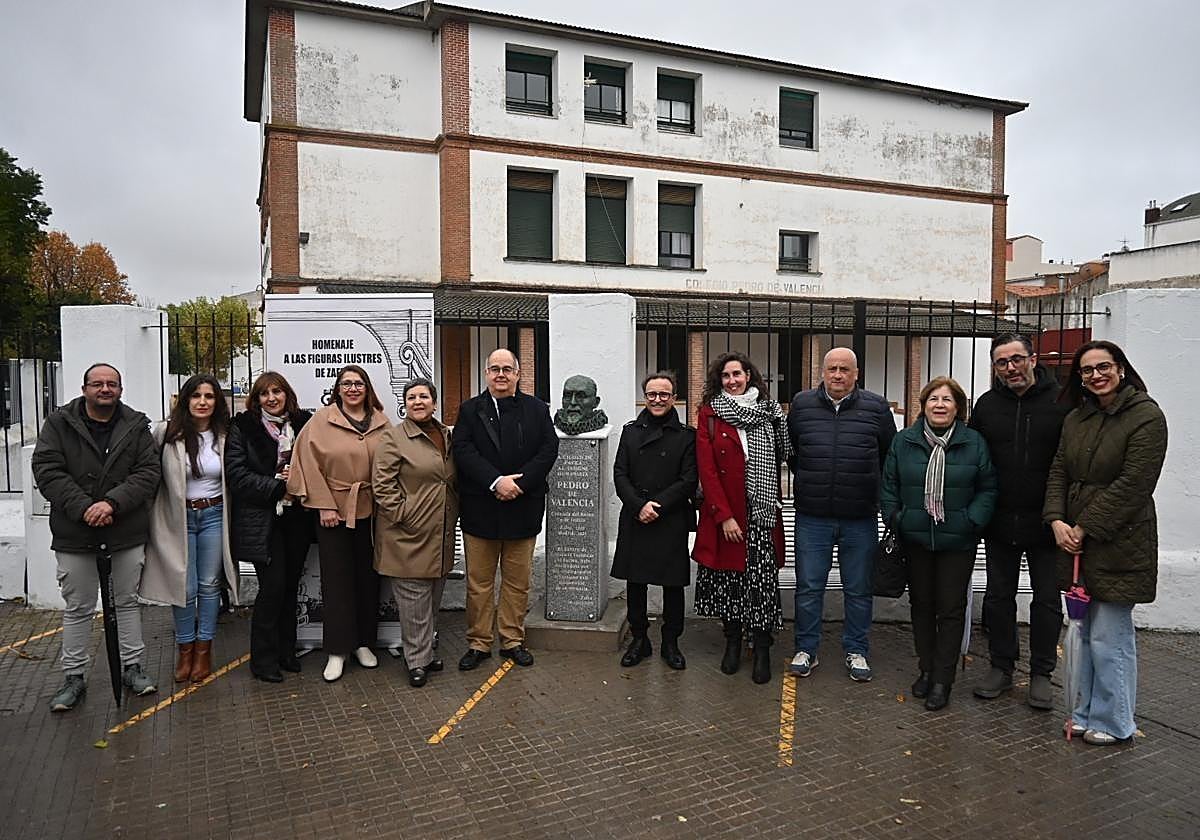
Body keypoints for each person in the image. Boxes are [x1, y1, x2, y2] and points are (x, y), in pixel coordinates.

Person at [1044, 340, 1167, 745]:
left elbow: (1134, 484)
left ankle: (1115, 720)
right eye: (1087, 370)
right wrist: (1057, 520)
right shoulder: (1077, 418)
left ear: (1121, 369)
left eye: (1103, 367)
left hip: (1120, 540)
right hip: (1077, 539)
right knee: (1081, 630)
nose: (1095, 375)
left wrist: (1086, 527)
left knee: (1109, 635)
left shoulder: (1146, 416)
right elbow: (1060, 469)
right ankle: (1083, 711)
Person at [32, 363, 161, 711]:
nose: (105, 389)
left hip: (124, 530)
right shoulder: (59, 424)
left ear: (120, 389)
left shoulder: (136, 426)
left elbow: (148, 472)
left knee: (127, 601)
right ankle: (73, 676)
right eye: (98, 384)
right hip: (75, 532)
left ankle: (132, 668)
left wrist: (111, 504)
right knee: (78, 607)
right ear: (85, 387)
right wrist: (85, 507)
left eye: (112, 384)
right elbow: (46, 469)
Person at [881, 376, 997, 711]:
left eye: (947, 399)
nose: (940, 405)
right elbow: (889, 485)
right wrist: (898, 518)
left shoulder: (973, 443)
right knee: (921, 607)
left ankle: (943, 679)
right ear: (924, 404)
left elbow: (988, 488)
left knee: (950, 609)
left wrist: (971, 520)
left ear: (958, 407)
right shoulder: (905, 441)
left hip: (957, 542)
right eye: (934, 399)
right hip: (915, 539)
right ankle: (926, 668)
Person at [969, 333, 1070, 709]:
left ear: (1032, 358)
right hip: (999, 521)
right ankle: (1001, 665)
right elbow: (976, 461)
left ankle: (1042, 673)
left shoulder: (1063, 403)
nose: (1010, 368)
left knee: (1046, 600)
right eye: (1001, 362)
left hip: (1049, 523)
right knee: (998, 598)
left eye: (1016, 359)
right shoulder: (987, 405)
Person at [787, 347, 896, 682]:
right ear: (822, 371)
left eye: (844, 369)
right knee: (808, 586)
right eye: (832, 368)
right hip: (812, 516)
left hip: (860, 517)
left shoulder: (877, 408)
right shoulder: (802, 405)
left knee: (859, 588)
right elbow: (794, 452)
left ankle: (856, 650)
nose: (837, 375)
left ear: (856, 373)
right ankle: (807, 649)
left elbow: (888, 456)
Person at [451, 349, 559, 671]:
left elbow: (548, 449)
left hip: (523, 508)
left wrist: (519, 485)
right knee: (479, 583)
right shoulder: (470, 410)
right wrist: (496, 481)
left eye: (507, 369)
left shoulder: (538, 410)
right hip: (480, 509)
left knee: (517, 581)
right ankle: (479, 642)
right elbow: (463, 450)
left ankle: (512, 640)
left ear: (518, 374)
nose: (500, 374)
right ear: (486, 373)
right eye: (494, 369)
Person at [287, 364, 391, 683]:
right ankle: (336, 650)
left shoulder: (383, 422)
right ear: (338, 388)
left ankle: (363, 643)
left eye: (358, 383)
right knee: (336, 581)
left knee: (368, 578)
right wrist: (323, 505)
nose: (353, 389)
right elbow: (306, 464)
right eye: (346, 383)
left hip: (371, 512)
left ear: (367, 388)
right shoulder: (321, 421)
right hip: (333, 513)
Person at [693, 352, 791, 685]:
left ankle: (762, 647)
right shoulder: (709, 414)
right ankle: (733, 642)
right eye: (725, 376)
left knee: (762, 583)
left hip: (763, 513)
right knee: (730, 583)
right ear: (718, 380)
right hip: (728, 514)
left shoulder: (771, 413)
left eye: (738, 374)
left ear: (749, 375)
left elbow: (787, 455)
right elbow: (707, 470)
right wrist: (724, 517)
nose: (732, 380)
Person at [144, 373, 240, 684]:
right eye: (196, 396)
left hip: (213, 514)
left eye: (209, 396)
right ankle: (185, 649)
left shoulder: (226, 434)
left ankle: (203, 649)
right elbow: (147, 474)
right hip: (177, 519)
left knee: (210, 584)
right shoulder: (166, 433)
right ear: (185, 400)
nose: (202, 402)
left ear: (217, 402)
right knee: (183, 586)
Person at [225, 371, 315, 683]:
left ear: (287, 394)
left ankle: (286, 652)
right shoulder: (243, 427)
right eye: (265, 394)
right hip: (264, 520)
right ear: (257, 399)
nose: (272, 398)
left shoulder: (304, 423)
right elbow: (237, 476)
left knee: (291, 587)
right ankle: (263, 660)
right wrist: (278, 486)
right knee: (272, 588)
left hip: (298, 519)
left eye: (277, 391)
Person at [372, 378, 458, 688]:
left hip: (440, 535)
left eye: (424, 396)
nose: (418, 401)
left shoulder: (446, 435)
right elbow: (382, 486)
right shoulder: (393, 439)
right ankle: (416, 662)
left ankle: (425, 653)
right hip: (407, 536)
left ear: (434, 402)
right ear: (405, 404)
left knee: (431, 601)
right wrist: (404, 515)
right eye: (411, 397)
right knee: (413, 606)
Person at [611, 372, 697, 670]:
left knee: (673, 586)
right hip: (637, 517)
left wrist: (657, 505)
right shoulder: (631, 432)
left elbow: (688, 479)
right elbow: (620, 473)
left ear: (674, 398)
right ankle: (639, 641)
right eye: (651, 395)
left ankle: (671, 643)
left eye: (664, 394)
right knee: (636, 583)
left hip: (669, 518)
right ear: (644, 397)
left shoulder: (687, 436)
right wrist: (639, 506)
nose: (657, 400)